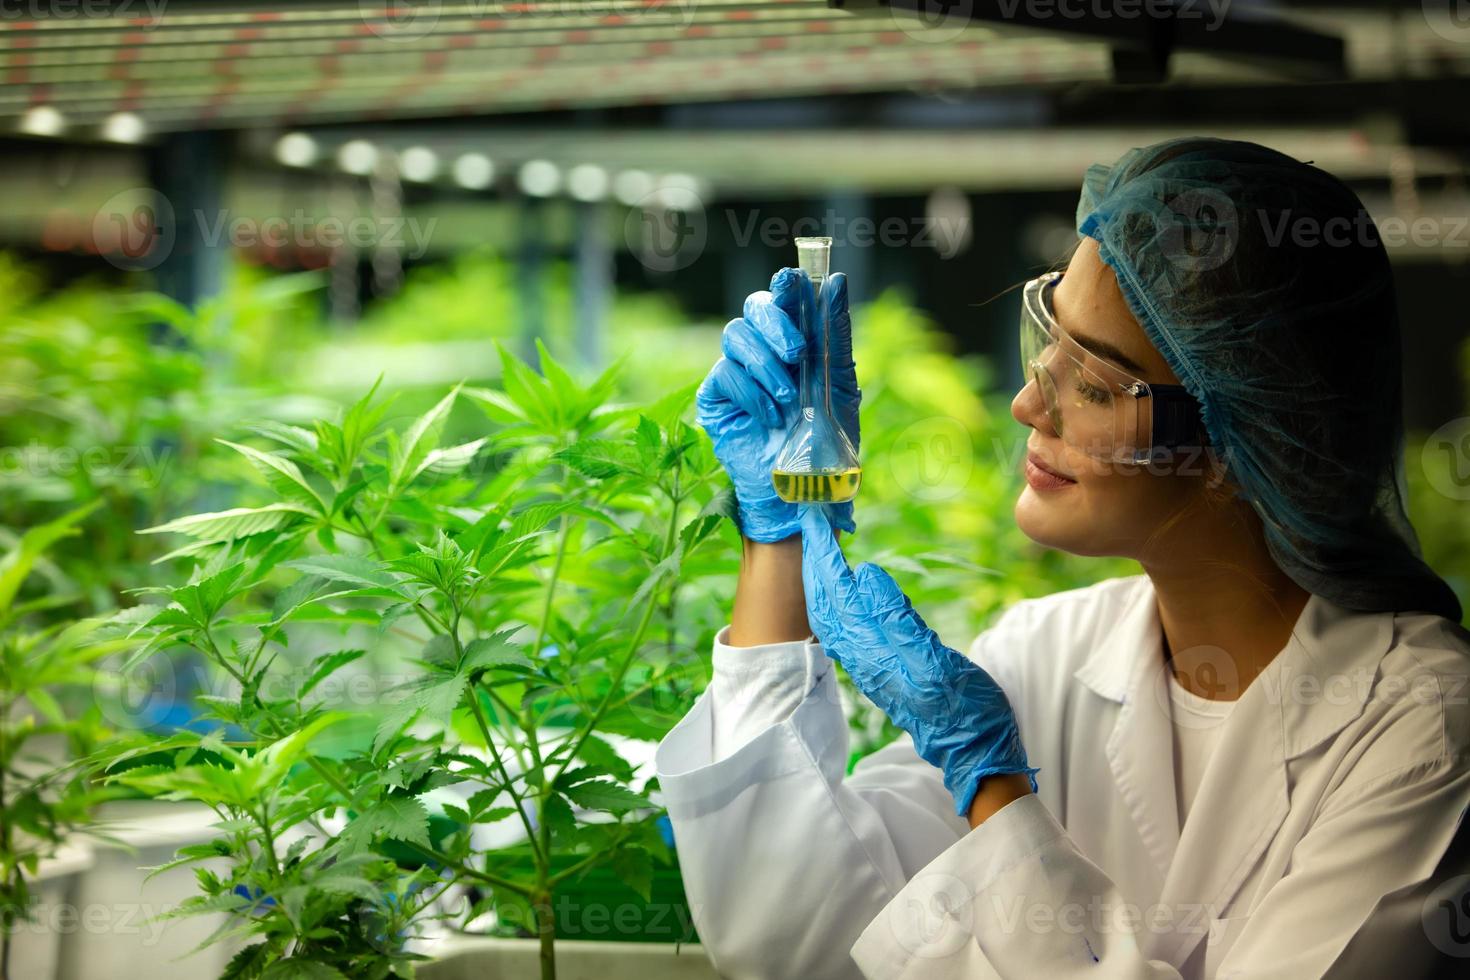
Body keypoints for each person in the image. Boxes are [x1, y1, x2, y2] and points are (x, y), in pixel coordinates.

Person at [652, 137, 1470, 979]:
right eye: (1048, 342)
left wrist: (996, 787)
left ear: (1237, 442)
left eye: (1095, 384)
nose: (1025, 405)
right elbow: (790, 931)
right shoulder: (1047, 653)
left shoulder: (1425, 728)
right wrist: (779, 534)